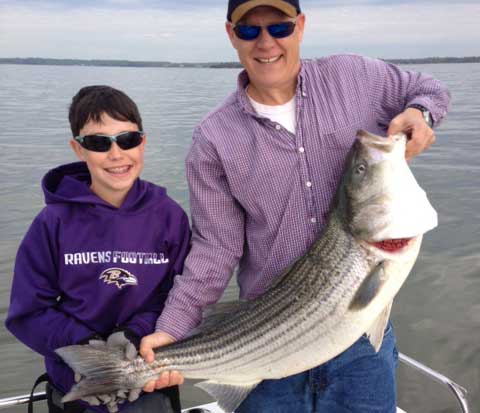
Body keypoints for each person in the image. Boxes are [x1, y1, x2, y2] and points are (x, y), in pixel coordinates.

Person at [140, 0, 451, 411]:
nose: (266, 42)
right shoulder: (213, 139)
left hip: (360, 349)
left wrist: (421, 113)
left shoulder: (353, 77)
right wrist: (172, 329)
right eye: (250, 31)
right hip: (264, 343)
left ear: (300, 26)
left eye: (280, 28)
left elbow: (428, 89)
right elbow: (216, 248)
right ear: (231, 35)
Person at [5, 85, 190, 413]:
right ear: (78, 149)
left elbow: (180, 297)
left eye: (128, 139)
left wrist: (134, 336)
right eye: (98, 143)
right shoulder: (53, 222)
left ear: (143, 142)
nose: (116, 154)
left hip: (146, 381)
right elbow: (28, 313)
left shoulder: (170, 217)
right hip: (77, 385)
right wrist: (88, 350)